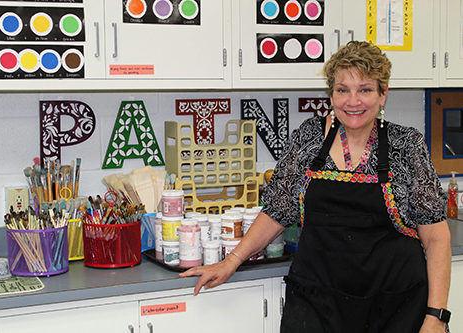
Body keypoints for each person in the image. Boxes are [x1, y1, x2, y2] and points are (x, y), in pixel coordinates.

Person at [179, 41, 451, 333]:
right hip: (317, 302)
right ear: (331, 94)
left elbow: (436, 238)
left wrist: (435, 317)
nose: (353, 101)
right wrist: (230, 261)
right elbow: (277, 212)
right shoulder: (308, 137)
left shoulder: (406, 144)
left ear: (383, 94)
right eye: (342, 90)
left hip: (395, 305)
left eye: (365, 90)